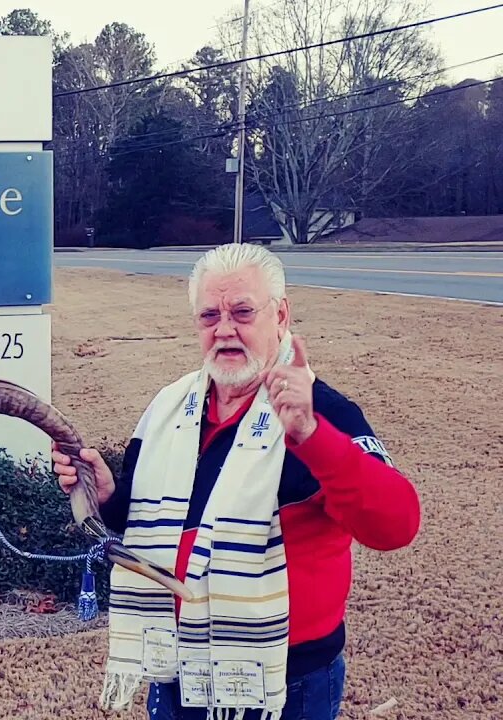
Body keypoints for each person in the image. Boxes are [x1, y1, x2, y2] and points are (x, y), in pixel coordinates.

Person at [52, 243, 420, 720]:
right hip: (178, 666)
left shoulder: (324, 412)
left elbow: (396, 526)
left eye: (243, 312)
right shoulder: (169, 408)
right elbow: (148, 522)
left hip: (284, 679)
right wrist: (108, 498)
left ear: (281, 314)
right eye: (209, 316)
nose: (224, 330)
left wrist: (311, 436)